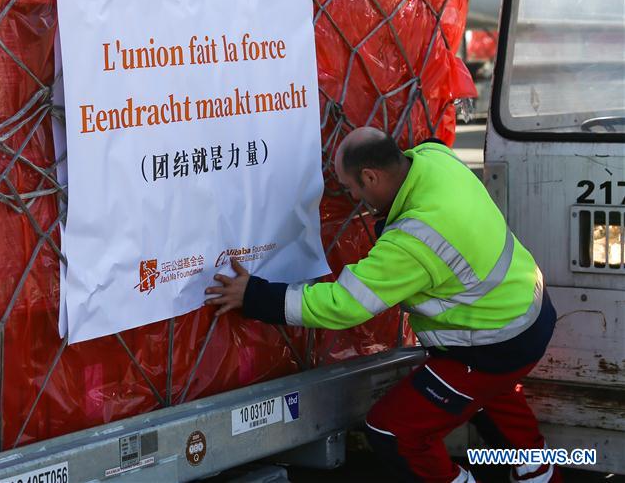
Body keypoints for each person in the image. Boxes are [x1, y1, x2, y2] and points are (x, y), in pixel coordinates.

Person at [205, 127, 559, 483]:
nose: (353, 197)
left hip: (493, 343)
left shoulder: (416, 238)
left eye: (351, 188)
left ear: (371, 176)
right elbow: (431, 142)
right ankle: (539, 473)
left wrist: (254, 296)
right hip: (529, 310)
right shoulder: (435, 160)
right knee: (489, 397)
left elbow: (344, 304)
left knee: (394, 431)